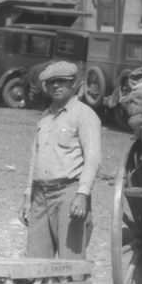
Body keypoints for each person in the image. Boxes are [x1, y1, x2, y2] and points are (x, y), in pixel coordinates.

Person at [20, 61, 102, 263]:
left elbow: (93, 158)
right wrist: (27, 195)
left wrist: (82, 194)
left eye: (62, 82)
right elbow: (35, 158)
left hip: (68, 194)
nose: (56, 86)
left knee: (70, 264)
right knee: (35, 265)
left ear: (74, 84)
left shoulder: (84, 115)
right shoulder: (45, 118)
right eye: (51, 83)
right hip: (40, 195)